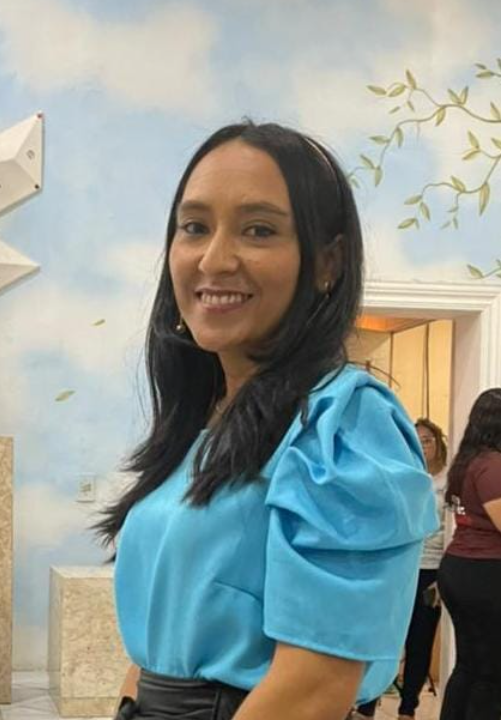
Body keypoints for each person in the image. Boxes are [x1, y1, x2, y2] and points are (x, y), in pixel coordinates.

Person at [95, 121, 438, 720]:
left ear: (327, 261)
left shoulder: (344, 424)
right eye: (194, 227)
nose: (215, 259)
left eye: (258, 230)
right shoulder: (201, 423)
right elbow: (163, 638)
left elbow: (314, 687)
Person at [353, 418, 448, 719]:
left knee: (420, 641)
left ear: (439, 444)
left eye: (428, 439)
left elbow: (453, 530)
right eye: (416, 440)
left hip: (431, 569)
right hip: (398, 568)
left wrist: (445, 576)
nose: (422, 445)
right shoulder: (400, 474)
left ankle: (408, 709)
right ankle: (366, 705)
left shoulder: (449, 481)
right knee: (385, 638)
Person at [437, 388, 501, 720]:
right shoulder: (493, 465)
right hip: (485, 572)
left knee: (469, 664)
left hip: (461, 568)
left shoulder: (468, 462)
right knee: (491, 672)